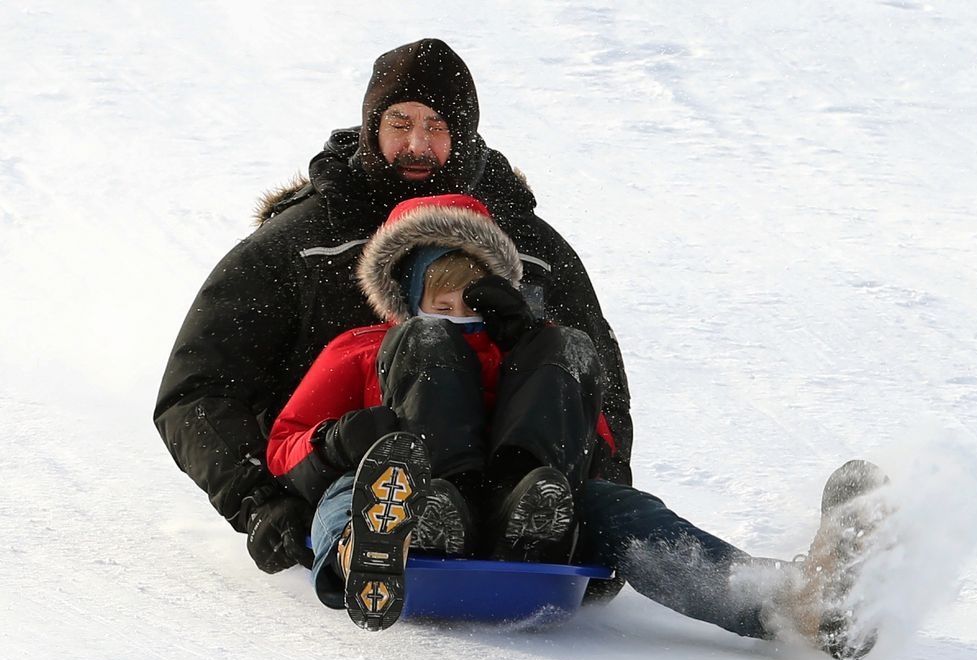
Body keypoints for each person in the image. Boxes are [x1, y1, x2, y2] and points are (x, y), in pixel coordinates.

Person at [153, 38, 632, 581]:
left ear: (466, 135)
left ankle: (735, 592)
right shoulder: (305, 242)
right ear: (370, 128)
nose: (417, 145)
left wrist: (601, 484)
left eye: (437, 127)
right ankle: (376, 544)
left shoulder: (529, 250)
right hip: (353, 477)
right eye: (400, 123)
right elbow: (197, 388)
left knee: (627, 517)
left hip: (517, 490)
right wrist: (259, 500)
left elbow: (596, 381)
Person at [265, 194, 617, 629]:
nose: (459, 317)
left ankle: (719, 584)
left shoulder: (529, 352)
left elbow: (598, 445)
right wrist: (336, 442)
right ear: (409, 296)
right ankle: (365, 553)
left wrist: (599, 493)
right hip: (405, 495)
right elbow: (285, 445)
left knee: (620, 502)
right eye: (443, 306)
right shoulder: (362, 347)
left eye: (471, 305)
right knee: (349, 494)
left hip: (523, 500)